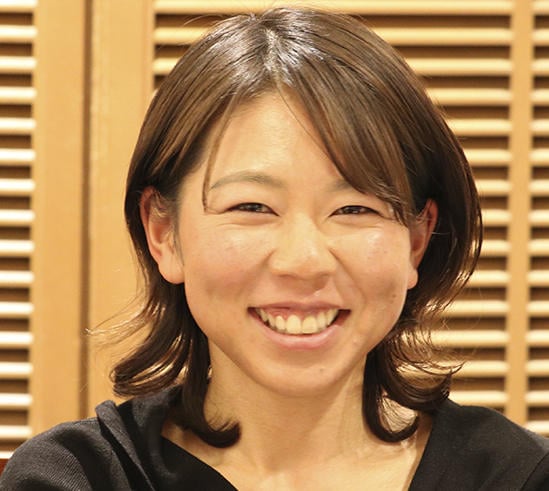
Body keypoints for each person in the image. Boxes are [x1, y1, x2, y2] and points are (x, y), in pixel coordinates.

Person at [1, 6, 548, 490]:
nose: (303, 261)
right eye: (252, 207)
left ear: (416, 240)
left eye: (354, 209)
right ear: (164, 233)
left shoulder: (515, 475)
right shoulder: (79, 477)